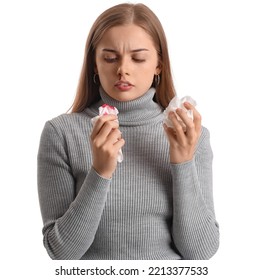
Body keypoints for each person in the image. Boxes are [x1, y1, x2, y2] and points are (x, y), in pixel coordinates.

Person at [37, 3, 219, 260]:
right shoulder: (61, 133)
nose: (123, 69)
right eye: (110, 58)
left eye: (138, 58)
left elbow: (201, 252)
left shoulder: (189, 135)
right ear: (94, 65)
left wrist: (183, 162)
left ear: (159, 64)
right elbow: (61, 253)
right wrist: (100, 172)